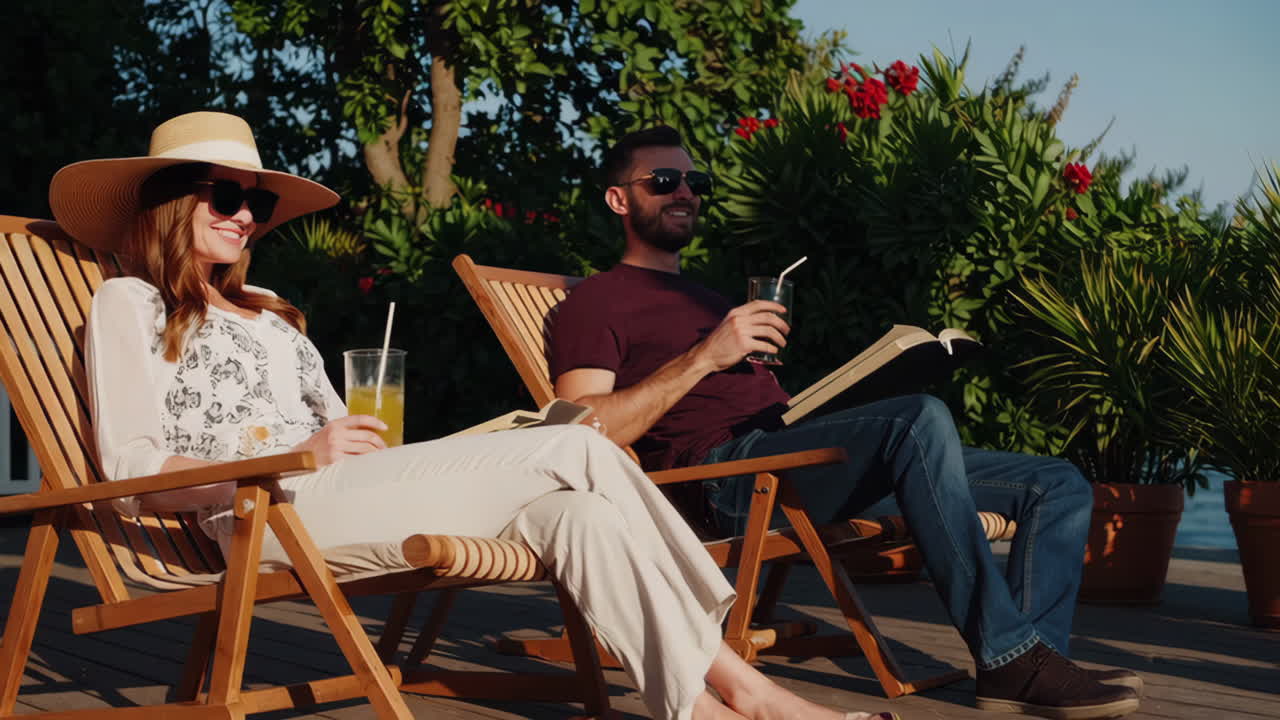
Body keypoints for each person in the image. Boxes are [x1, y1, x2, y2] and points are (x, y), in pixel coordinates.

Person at [49, 111, 899, 720]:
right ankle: (746, 682)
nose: (243, 216)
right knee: (577, 442)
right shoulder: (130, 303)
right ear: (167, 201)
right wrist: (304, 453)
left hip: (336, 491)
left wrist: (357, 450)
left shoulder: (274, 311)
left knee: (575, 512)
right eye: (222, 197)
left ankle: (698, 710)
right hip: (261, 514)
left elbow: (352, 444)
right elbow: (132, 480)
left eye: (256, 203)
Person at [546, 126, 1144, 720]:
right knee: (918, 418)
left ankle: (1029, 666)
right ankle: (1014, 656)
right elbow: (583, 429)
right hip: (730, 479)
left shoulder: (706, 298)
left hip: (794, 456)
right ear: (619, 198)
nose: (685, 192)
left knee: (1058, 483)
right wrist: (707, 354)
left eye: (694, 181)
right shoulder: (596, 302)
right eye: (665, 180)